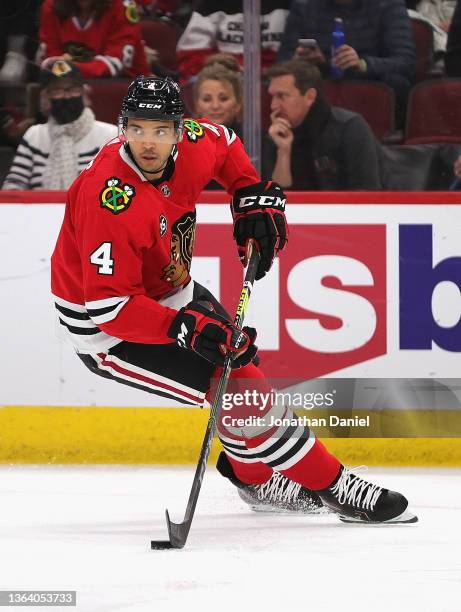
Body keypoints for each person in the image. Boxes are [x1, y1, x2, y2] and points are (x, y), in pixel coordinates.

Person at [50, 75, 417, 524]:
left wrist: (247, 195)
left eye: (161, 129)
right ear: (122, 128)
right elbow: (110, 309)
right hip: (109, 329)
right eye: (138, 128)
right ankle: (337, 488)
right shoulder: (110, 200)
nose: (148, 142)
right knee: (243, 395)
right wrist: (186, 327)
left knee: (244, 375)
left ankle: (253, 479)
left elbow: (225, 144)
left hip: (173, 291)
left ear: (179, 131)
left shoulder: (195, 146)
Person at [278, 0, 416, 126]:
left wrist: (363, 64)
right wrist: (299, 62)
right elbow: (283, 61)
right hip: (320, 81)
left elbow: (406, 61)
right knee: (285, 83)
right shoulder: (304, 5)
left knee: (397, 82)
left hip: (370, 81)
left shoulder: (388, 4)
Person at [262, 60, 382, 190]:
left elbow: (366, 193)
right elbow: (277, 200)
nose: (273, 106)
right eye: (272, 97)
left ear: (309, 97)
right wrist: (283, 152)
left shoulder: (349, 127)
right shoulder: (276, 133)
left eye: (281, 96)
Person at [2, 59, 117, 190]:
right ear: (46, 97)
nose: (67, 96)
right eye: (57, 90)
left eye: (73, 89)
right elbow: (14, 185)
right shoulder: (34, 135)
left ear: (84, 92)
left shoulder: (110, 136)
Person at [176, 0, 291, 82]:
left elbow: (300, 53)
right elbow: (190, 55)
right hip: (224, 80)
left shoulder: (293, 4)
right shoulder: (211, 4)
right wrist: (224, 70)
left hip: (277, 79)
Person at [38, 0, 150, 79]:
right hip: (72, 85)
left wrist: (68, 68)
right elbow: (51, 62)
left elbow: (112, 65)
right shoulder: (51, 6)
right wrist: (63, 69)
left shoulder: (123, 6)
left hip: (127, 87)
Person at [194, 54, 243, 135]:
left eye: (223, 99)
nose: (215, 106)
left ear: (238, 103)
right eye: (207, 99)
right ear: (197, 105)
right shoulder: (182, 141)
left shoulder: (256, 140)